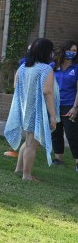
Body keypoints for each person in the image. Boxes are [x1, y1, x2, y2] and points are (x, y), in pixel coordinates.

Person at [4, 38, 59, 181]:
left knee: (28, 141)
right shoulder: (46, 69)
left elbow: (16, 86)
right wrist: (53, 116)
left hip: (25, 109)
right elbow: (48, 92)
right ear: (46, 52)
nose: (52, 53)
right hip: (37, 111)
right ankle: (27, 175)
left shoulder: (23, 67)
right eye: (51, 50)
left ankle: (19, 169)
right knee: (32, 145)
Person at [51, 40, 78, 171]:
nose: (72, 53)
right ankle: (58, 159)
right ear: (64, 50)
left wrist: (75, 107)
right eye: (70, 50)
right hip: (55, 104)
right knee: (56, 133)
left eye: (74, 51)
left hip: (70, 105)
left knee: (72, 134)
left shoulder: (76, 68)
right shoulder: (53, 66)